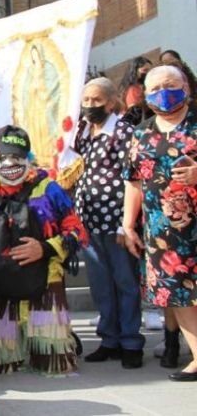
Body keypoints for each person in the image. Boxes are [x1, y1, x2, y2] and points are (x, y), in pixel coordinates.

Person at [0, 126, 88, 375]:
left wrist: (45, 248)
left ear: (28, 158)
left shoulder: (50, 190)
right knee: (1, 365)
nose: (10, 163)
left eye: (17, 157)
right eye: (3, 158)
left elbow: (77, 232)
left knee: (53, 363)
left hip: (44, 280)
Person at [122, 65, 197, 381]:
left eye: (170, 84)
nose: (163, 92)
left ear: (187, 89)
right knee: (178, 297)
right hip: (162, 232)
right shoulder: (142, 133)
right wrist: (127, 225)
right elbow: (134, 182)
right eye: (155, 87)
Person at [72, 77, 144, 369]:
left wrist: (123, 225)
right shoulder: (82, 132)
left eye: (97, 100)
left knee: (125, 281)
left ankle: (130, 342)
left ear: (112, 102)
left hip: (116, 220)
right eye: (86, 101)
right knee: (101, 284)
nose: (91, 106)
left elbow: (133, 176)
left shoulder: (124, 131)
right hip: (89, 221)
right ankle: (109, 339)